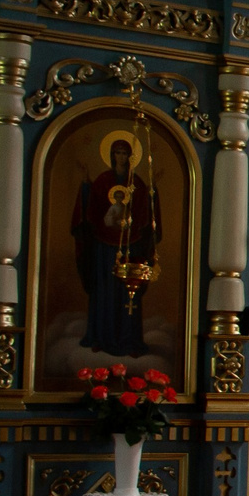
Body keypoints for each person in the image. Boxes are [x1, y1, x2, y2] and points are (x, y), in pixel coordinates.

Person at [70, 134, 161, 357]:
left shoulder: (137, 183)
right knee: (104, 293)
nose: (120, 157)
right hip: (104, 249)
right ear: (112, 156)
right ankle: (100, 337)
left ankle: (129, 340)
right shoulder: (102, 181)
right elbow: (92, 209)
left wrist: (153, 192)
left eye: (124, 153)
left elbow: (144, 215)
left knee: (127, 296)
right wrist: (85, 185)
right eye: (117, 153)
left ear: (131, 157)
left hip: (132, 249)